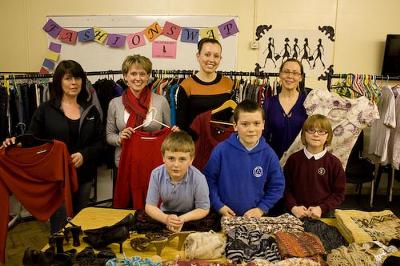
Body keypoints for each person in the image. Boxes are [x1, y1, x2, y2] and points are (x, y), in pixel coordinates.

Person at [2, 60, 104, 232]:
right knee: (60, 226)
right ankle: (60, 257)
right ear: (59, 81)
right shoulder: (45, 109)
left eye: (78, 78)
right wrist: (15, 142)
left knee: (81, 222)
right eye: (68, 78)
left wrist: (84, 155)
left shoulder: (91, 110)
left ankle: (80, 257)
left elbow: (101, 142)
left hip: (84, 175)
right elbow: (32, 138)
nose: (74, 83)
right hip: (57, 180)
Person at [204, 99, 285, 217]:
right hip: (222, 215)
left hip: (255, 218)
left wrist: (262, 208)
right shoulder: (221, 151)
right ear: (235, 126)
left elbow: (277, 186)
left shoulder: (269, 154)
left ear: (263, 124)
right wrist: (218, 205)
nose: (251, 129)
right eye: (245, 124)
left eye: (256, 123)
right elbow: (208, 181)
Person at [106, 54, 170, 167]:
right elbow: (109, 135)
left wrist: (174, 132)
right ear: (125, 76)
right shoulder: (115, 103)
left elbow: (168, 134)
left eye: (142, 74)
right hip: (124, 162)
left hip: (154, 161)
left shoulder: (161, 101)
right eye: (133, 74)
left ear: (148, 76)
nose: (138, 78)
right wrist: (119, 138)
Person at [145, 131, 210, 232]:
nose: (176, 164)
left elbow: (203, 209)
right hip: (165, 215)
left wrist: (181, 220)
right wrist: (166, 219)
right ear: (163, 157)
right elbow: (150, 206)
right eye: (171, 158)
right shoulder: (156, 174)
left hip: (189, 217)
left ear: (191, 160)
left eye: (182, 159)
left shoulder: (199, 178)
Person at [284, 114, 346, 219]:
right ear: (304, 134)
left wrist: (322, 208)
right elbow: (285, 189)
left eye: (321, 131)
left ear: (328, 136)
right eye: (311, 130)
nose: (316, 135)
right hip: (295, 212)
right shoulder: (293, 160)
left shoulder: (334, 163)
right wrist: (293, 207)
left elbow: (339, 194)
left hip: (323, 214)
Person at [175, 38, 234, 139]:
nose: (211, 60)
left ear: (220, 58)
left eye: (216, 56)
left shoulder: (229, 83)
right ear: (198, 56)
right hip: (195, 146)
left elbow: (234, 116)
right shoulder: (186, 85)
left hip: (222, 145)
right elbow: (182, 124)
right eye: (207, 54)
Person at [263, 58, 307, 159]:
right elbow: (263, 136)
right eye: (286, 72)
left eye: (295, 73)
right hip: (273, 162)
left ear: (301, 77)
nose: (290, 76)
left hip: (300, 162)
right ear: (280, 74)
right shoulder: (269, 103)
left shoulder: (308, 103)